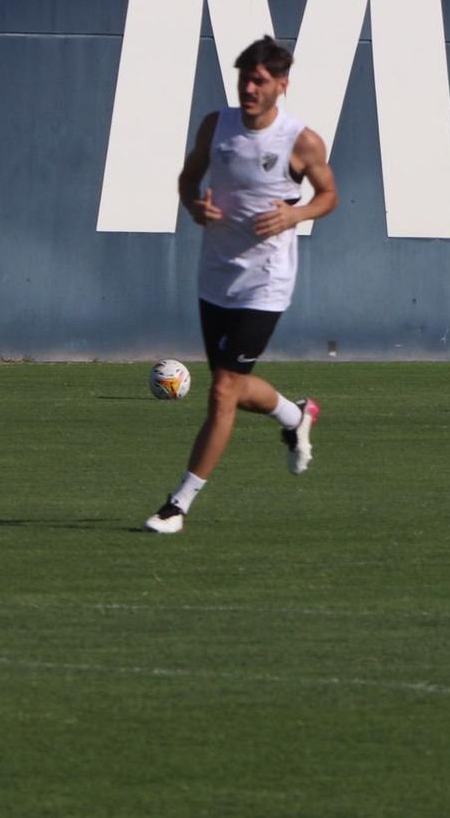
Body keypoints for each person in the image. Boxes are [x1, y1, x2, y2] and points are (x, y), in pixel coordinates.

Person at [144, 36, 339, 535]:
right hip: (215, 276)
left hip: (266, 282)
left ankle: (177, 505)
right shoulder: (218, 126)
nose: (249, 88)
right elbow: (188, 180)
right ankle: (296, 417)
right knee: (228, 387)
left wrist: (295, 214)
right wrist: (195, 207)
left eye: (259, 81)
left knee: (223, 392)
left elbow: (329, 195)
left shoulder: (301, 141)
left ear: (282, 86)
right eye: (244, 79)